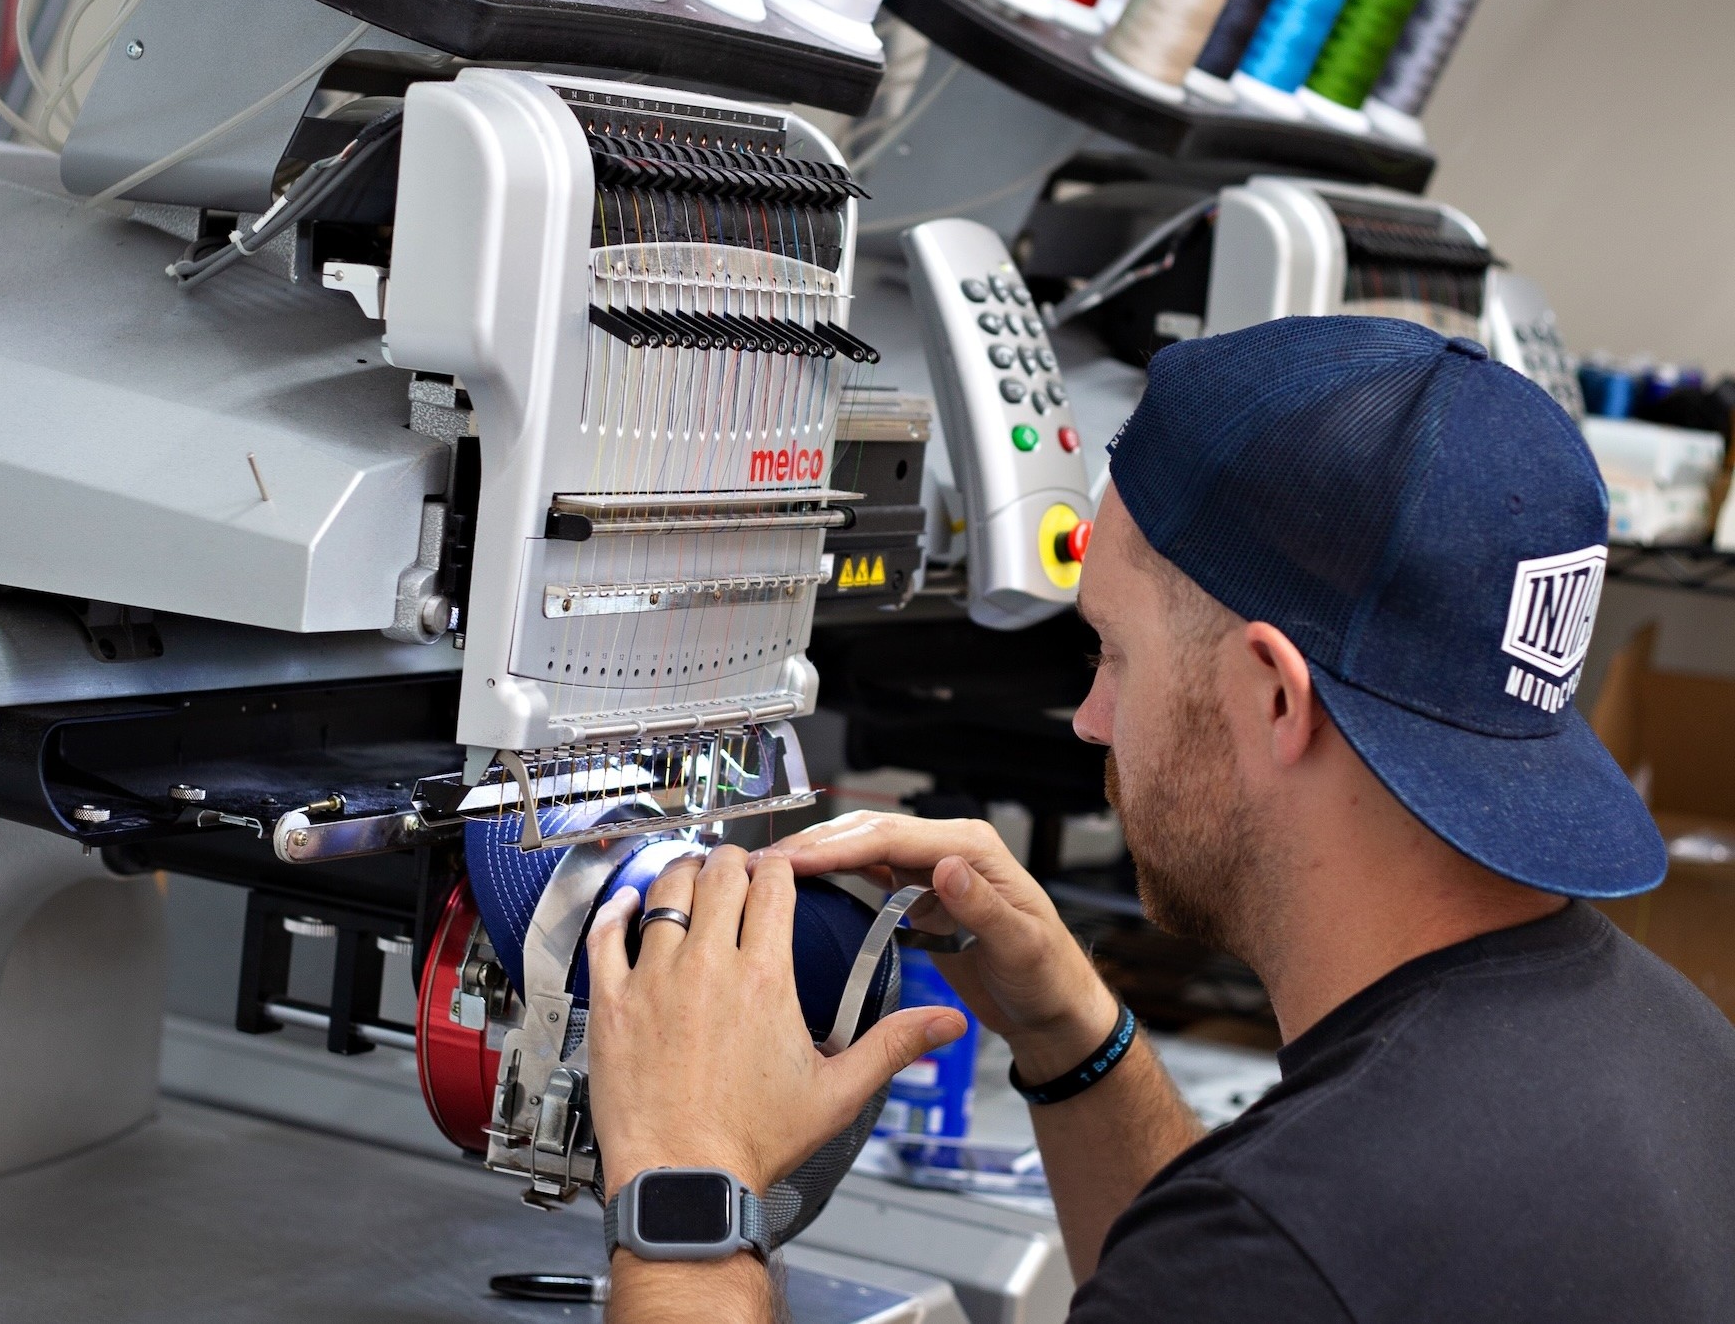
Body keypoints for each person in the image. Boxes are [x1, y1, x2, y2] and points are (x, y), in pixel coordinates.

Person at [585, 317, 1735, 1323]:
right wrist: (1075, 1037)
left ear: (1274, 695)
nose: (1089, 718)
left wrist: (691, 1183)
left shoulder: (1297, 1231)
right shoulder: (1673, 1051)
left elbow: (1261, 1263)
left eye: (1113, 652)